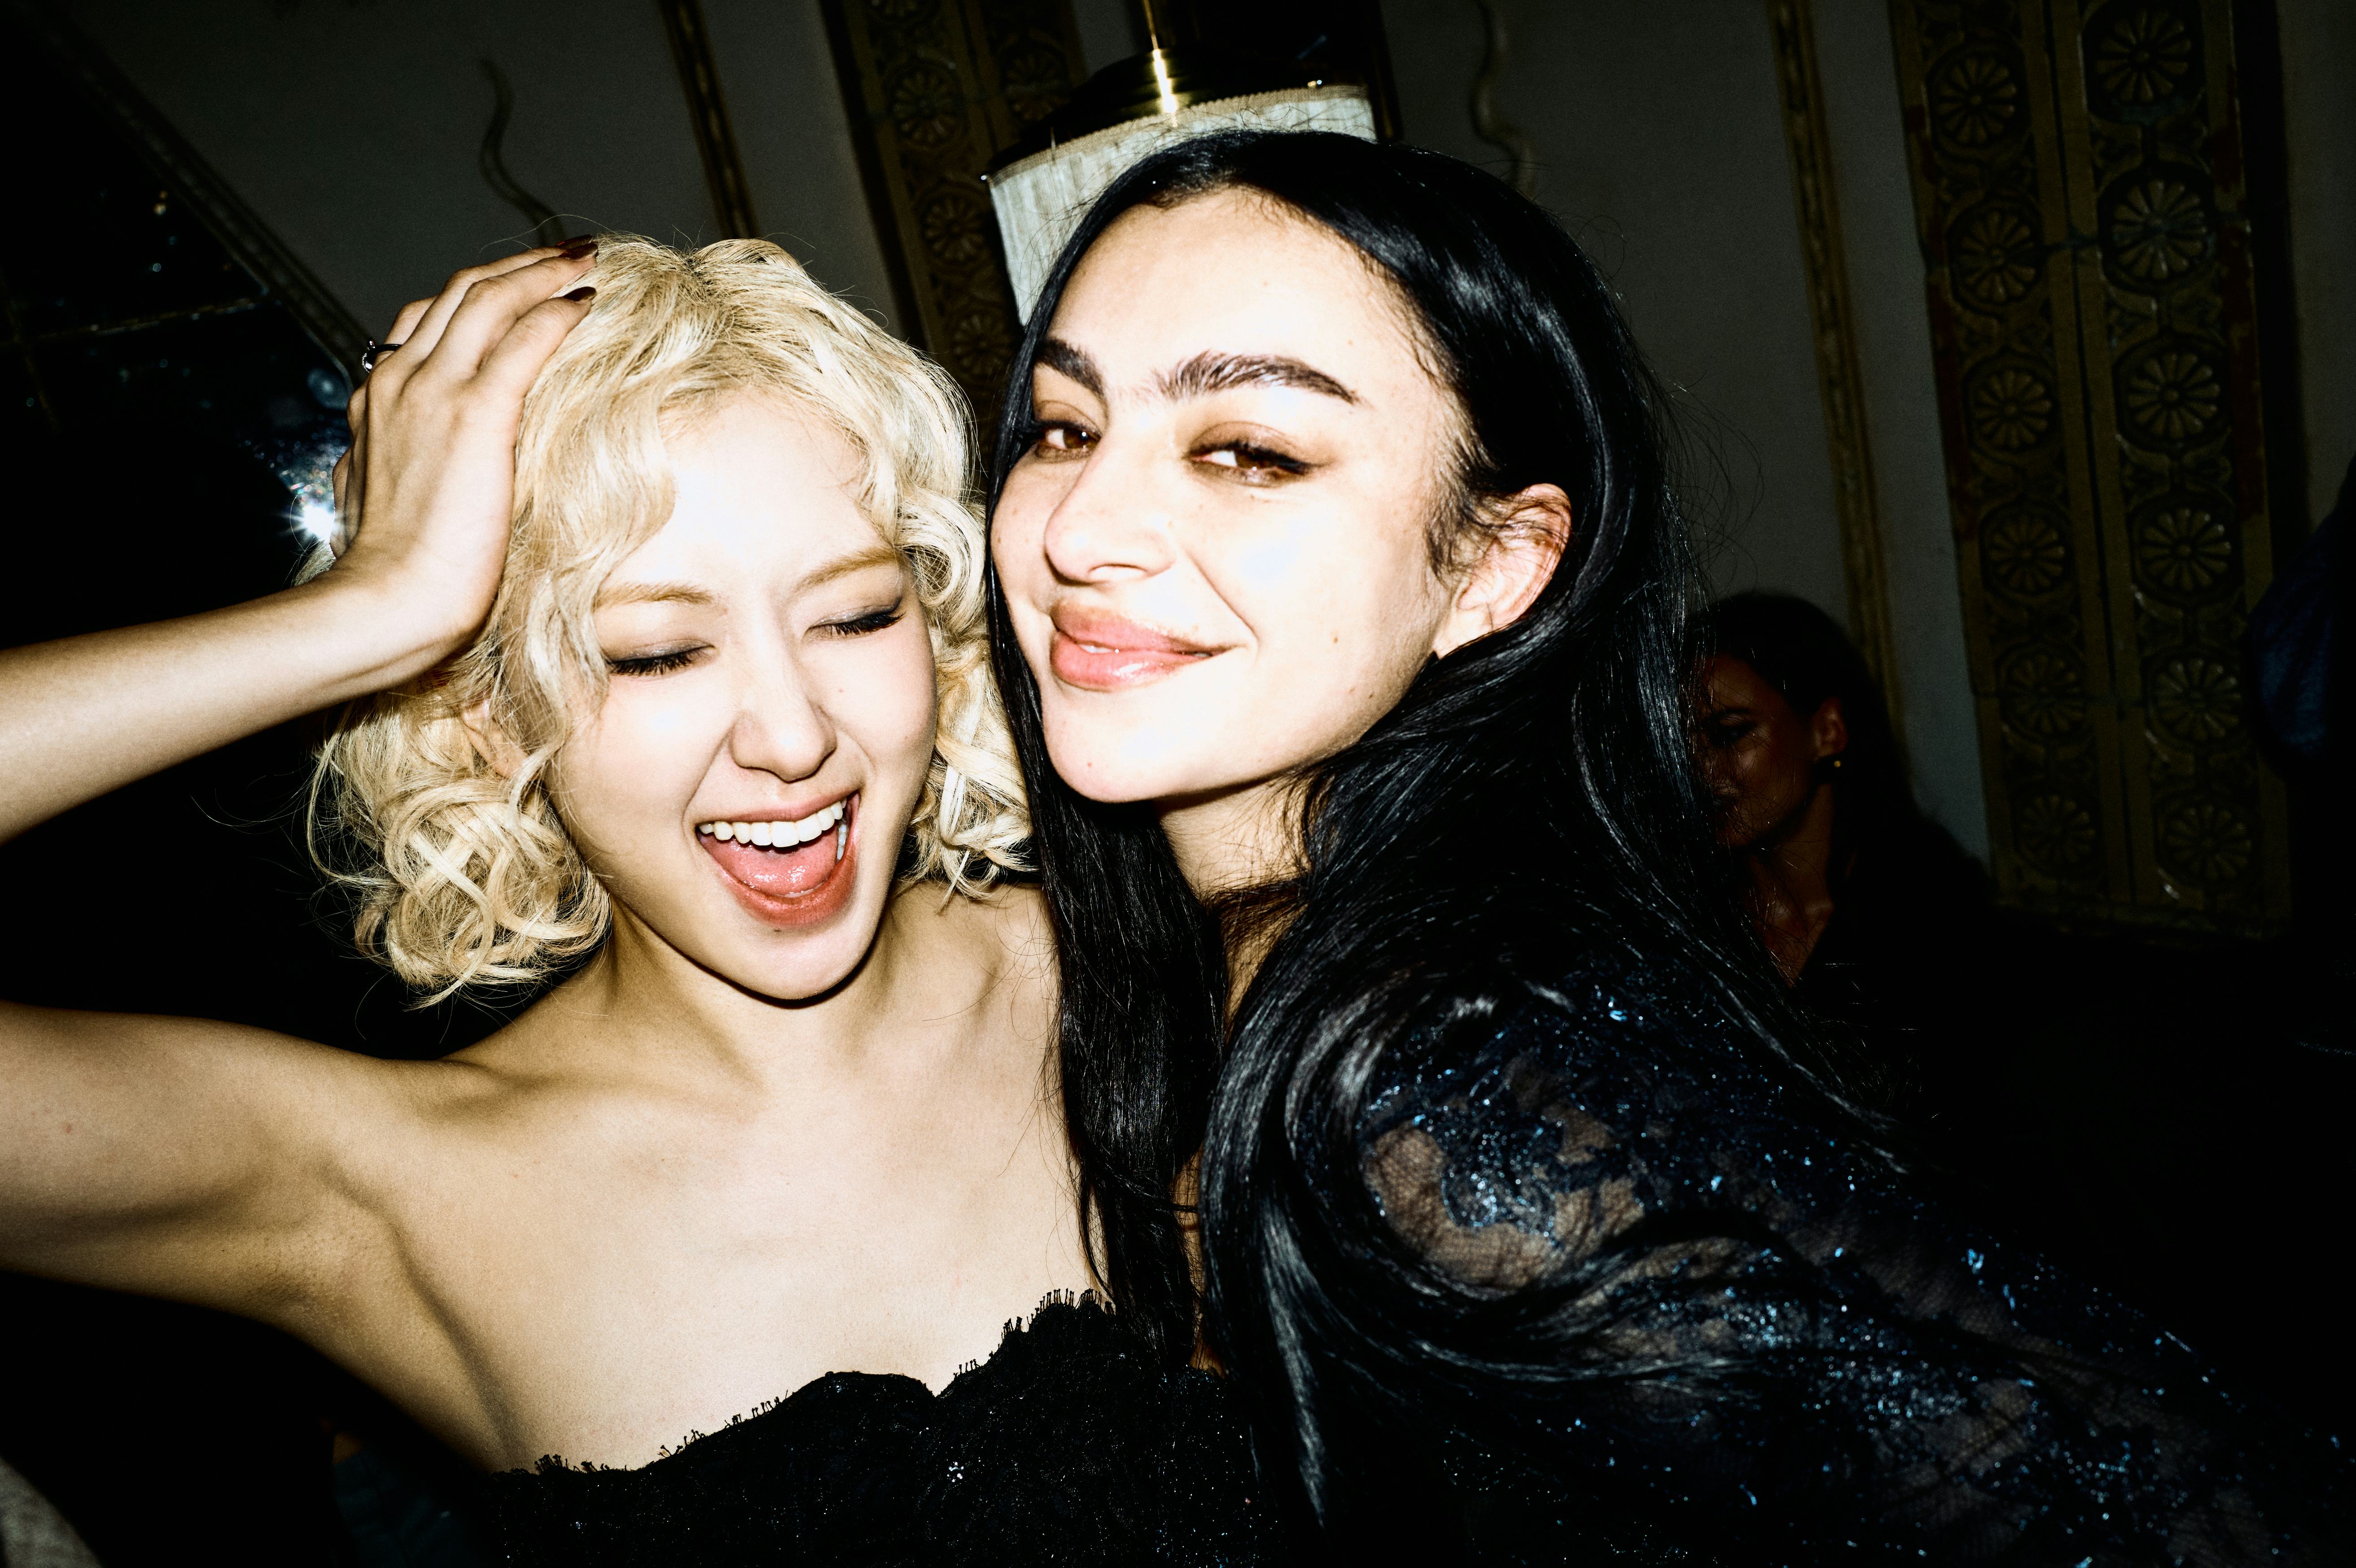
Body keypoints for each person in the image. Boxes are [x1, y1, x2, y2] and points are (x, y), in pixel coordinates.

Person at [983, 129, 2350, 1561]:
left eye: (1250, 451)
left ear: (1493, 564)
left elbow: (2179, 1499)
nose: (1083, 525)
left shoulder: (1431, 1082)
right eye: (1065, 427)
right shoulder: (1216, 970)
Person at [0, 237, 1262, 1563]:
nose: (792, 736)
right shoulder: (393, 1189)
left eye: (853, 617)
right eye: (656, 652)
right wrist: (374, 616)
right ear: (490, 715)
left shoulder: (1154, 963)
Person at [1693, 590, 2001, 1109]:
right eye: (1679, 743)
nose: (1700, 770)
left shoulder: (1932, 924)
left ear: (1826, 731)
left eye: (1729, 734)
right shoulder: (1690, 914)